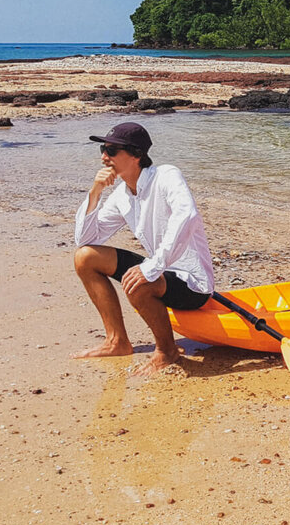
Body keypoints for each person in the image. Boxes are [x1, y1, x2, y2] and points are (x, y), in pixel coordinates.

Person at [71, 121, 215, 376]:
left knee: (140, 282)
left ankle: (167, 351)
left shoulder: (167, 175)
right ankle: (117, 342)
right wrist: (95, 192)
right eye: (103, 150)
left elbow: (187, 216)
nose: (105, 157)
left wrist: (153, 265)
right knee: (85, 258)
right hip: (160, 270)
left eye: (112, 151)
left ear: (136, 155)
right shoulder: (121, 195)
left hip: (192, 282)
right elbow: (85, 238)